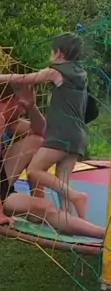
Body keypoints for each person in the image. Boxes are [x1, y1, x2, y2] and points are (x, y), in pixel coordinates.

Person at [0, 34, 89, 218]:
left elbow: (25, 78)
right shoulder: (80, 75)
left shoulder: (56, 71)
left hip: (62, 134)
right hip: (78, 136)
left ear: (59, 53)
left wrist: (29, 104)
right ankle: (73, 220)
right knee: (63, 180)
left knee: (35, 168)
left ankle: (75, 197)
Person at [0, 84, 46, 226]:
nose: (24, 110)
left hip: (3, 177)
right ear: (11, 100)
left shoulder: (11, 122)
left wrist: (32, 107)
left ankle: (38, 200)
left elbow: (43, 132)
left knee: (37, 140)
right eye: (22, 104)